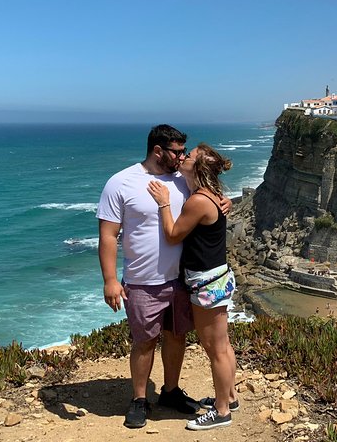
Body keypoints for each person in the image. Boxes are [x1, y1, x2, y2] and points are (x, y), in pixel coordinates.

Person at [97, 125, 230, 429]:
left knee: (176, 336)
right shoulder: (121, 182)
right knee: (144, 342)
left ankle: (170, 391)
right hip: (143, 280)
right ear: (158, 151)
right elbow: (107, 236)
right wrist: (110, 279)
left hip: (184, 279)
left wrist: (226, 202)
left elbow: (208, 198)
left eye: (186, 151)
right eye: (177, 151)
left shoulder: (182, 181)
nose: (183, 156)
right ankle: (139, 399)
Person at [147, 143, 238, 431]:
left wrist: (163, 202)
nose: (183, 157)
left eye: (190, 156)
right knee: (221, 345)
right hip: (216, 276)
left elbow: (173, 235)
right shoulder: (210, 195)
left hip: (206, 281)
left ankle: (222, 412)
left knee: (216, 348)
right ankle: (230, 397)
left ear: (197, 168)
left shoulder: (199, 200)